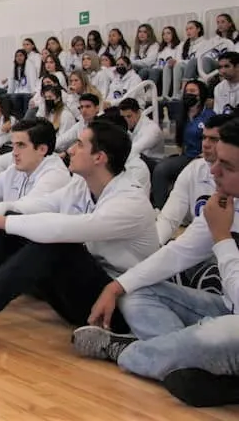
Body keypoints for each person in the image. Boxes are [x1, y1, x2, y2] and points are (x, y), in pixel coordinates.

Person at [0, 118, 158, 346]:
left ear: (99, 157)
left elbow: (65, 229)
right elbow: (35, 206)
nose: (69, 149)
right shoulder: (81, 184)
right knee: (18, 225)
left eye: (79, 145)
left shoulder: (129, 202)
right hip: (77, 290)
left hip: (116, 307)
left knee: (54, 241)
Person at [72, 117, 239, 408]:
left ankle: (128, 351)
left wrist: (222, 238)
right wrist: (117, 286)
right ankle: (185, 359)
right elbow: (178, 252)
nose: (213, 171)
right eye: (216, 161)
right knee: (137, 291)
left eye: (227, 166)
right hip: (226, 308)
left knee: (218, 335)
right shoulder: (226, 201)